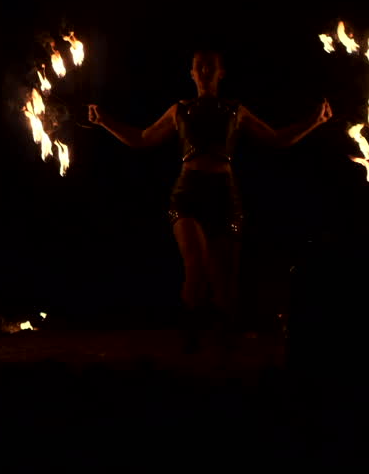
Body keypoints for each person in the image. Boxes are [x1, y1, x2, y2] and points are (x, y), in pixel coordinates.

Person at [87, 50, 331, 355]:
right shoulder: (179, 110)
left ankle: (224, 347)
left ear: (220, 72)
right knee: (197, 263)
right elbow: (143, 138)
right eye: (198, 66)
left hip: (225, 194)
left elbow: (276, 139)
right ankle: (190, 339)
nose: (203, 70)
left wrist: (315, 121)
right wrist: (104, 121)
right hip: (187, 192)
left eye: (209, 65)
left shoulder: (235, 110)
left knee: (224, 280)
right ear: (191, 73)